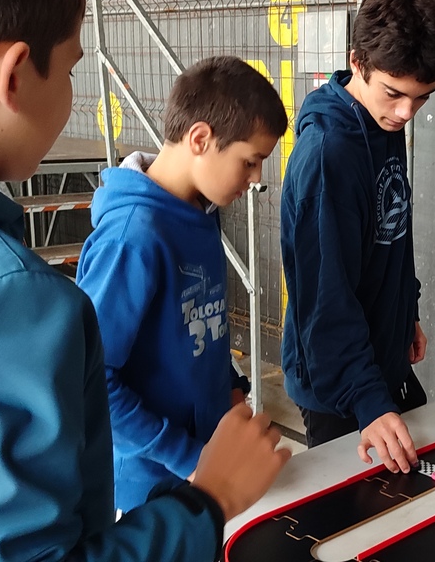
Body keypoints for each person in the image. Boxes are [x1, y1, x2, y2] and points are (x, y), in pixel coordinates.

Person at [0, 0, 289, 560]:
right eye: (72, 68)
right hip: (161, 491)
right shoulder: (9, 303)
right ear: (14, 76)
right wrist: (209, 499)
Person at [77, 55, 287, 511]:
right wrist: (187, 457)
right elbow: (89, 382)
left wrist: (232, 392)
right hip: (148, 488)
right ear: (200, 139)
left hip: (203, 469)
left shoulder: (201, 213)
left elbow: (201, 327)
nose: (256, 179)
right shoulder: (132, 237)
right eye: (250, 162)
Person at [280, 0, 435, 473]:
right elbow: (324, 295)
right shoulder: (328, 155)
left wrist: (406, 309)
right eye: (394, 94)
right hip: (339, 385)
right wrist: (367, 398)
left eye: (421, 98)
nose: (406, 113)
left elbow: (391, 229)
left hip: (380, 361)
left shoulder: (382, 123)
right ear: (357, 62)